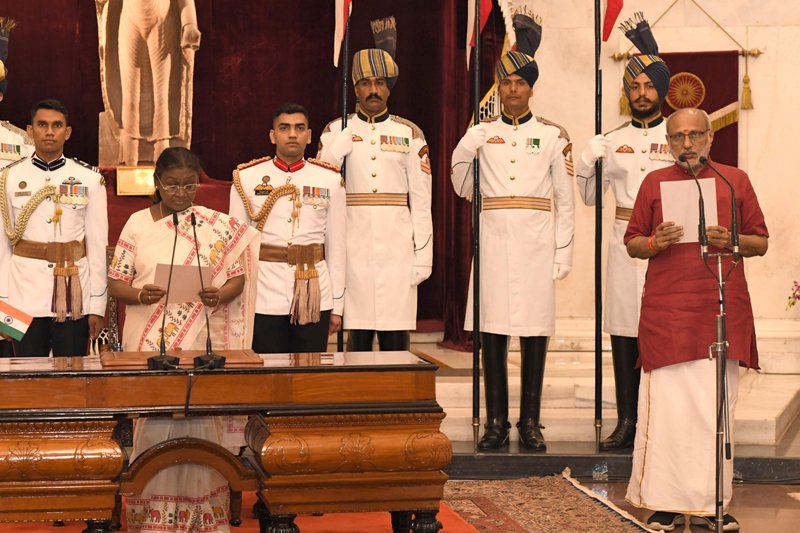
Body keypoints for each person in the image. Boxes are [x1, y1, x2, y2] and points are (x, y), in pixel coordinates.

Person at [624, 107, 768, 531]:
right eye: (676, 137)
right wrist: (654, 241)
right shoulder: (655, 182)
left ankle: (712, 505)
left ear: (710, 138)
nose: (685, 144)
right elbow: (632, 242)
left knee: (714, 413)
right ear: (667, 143)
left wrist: (733, 241)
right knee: (667, 414)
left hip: (720, 309)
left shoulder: (733, 180)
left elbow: (760, 241)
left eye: (693, 135)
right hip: (669, 313)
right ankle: (664, 503)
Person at [108, 147, 260, 532]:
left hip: (198, 343)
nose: (181, 193)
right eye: (173, 185)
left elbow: (237, 277)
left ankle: (202, 515)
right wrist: (142, 294)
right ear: (157, 184)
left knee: (197, 425)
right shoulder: (138, 224)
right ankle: (153, 515)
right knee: (156, 424)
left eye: (189, 185)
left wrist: (218, 295)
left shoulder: (213, 225)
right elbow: (116, 283)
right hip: (148, 342)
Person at [450, 13, 575, 451]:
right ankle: (496, 422)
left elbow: (565, 198)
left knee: (535, 334)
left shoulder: (553, 137)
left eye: (520, 83)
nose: (513, 90)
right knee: (493, 334)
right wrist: (466, 148)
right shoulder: (482, 135)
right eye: (506, 84)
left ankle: (531, 422)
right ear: (499, 89)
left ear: (531, 88)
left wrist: (563, 253)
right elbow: (463, 187)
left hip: (537, 246)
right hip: (495, 246)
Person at [574, 12, 672, 450]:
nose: (641, 94)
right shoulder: (612, 139)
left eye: (649, 86)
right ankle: (628, 420)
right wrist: (586, 164)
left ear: (662, 90)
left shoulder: (679, 135)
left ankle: (661, 421)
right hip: (623, 238)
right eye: (634, 87)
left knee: (663, 332)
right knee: (623, 331)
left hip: (670, 242)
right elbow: (592, 197)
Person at [318, 21, 433, 352]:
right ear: (354, 88)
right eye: (365, 83)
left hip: (397, 246)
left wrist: (423, 255)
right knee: (357, 336)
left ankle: (398, 402)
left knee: (397, 337)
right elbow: (319, 193)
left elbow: (422, 201)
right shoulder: (333, 131)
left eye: (379, 83)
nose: (372, 89)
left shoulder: (410, 134)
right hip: (350, 244)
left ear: (389, 89)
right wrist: (330, 156)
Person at [230, 102, 345, 354]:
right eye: (284, 128)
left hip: (315, 291)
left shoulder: (330, 179)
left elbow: (337, 246)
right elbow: (236, 246)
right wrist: (238, 299)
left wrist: (337, 305)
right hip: (263, 293)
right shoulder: (247, 178)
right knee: (267, 372)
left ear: (309, 135)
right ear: (273, 135)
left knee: (309, 373)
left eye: (299, 128)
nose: (292, 134)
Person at [0, 99, 107, 356]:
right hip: (22, 295)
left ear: (67, 132)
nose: (49, 131)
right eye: (42, 125)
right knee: (27, 372)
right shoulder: (7, 177)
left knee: (72, 374)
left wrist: (98, 305)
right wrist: (3, 306)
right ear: (29, 130)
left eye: (57, 125)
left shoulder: (90, 179)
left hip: (73, 297)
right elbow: (2, 246)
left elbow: (97, 245)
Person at [96, 0, 201, 165]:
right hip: (130, 19)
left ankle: (164, 160)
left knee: (163, 93)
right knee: (129, 92)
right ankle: (128, 159)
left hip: (162, 20)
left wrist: (189, 23)